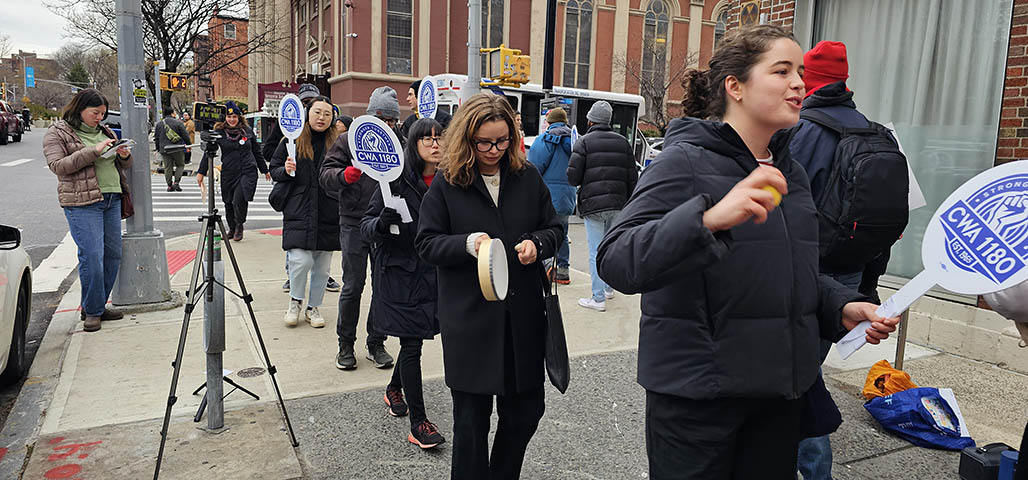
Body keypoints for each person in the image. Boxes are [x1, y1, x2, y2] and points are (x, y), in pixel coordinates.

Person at [594, 25, 900, 479]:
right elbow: (616, 260)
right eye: (782, 71)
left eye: (800, 72)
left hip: (777, 398)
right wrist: (707, 220)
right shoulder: (684, 161)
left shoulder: (790, 172)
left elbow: (787, 270)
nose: (799, 84)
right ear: (735, 87)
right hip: (701, 403)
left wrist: (840, 304)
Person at [415, 93, 562, 479]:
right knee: (470, 426)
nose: (494, 150)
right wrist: (468, 244)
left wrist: (538, 243)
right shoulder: (448, 183)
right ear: (467, 139)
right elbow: (426, 243)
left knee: (526, 412)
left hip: (522, 320)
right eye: (484, 143)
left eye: (502, 141)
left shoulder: (527, 177)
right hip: (471, 321)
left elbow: (554, 228)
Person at [787, 40, 908, 480]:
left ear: (810, 81)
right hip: (853, 271)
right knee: (806, 370)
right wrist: (868, 282)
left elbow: (781, 204)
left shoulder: (800, 131)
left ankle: (813, 467)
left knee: (797, 378)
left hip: (807, 268)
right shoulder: (879, 134)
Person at [361, 118, 447, 449]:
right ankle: (419, 423)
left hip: (434, 273)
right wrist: (382, 224)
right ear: (413, 144)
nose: (435, 144)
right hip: (400, 275)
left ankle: (393, 388)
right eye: (427, 139)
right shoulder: (394, 181)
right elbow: (365, 226)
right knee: (412, 344)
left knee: (417, 340)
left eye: (439, 138)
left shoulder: (450, 179)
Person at [320, 86, 401, 371]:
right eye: (382, 119)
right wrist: (344, 176)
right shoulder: (348, 140)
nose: (388, 125)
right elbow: (325, 175)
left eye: (392, 120)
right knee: (353, 286)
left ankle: (376, 342)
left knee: (383, 287)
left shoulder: (398, 142)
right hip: (354, 221)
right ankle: (345, 343)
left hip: (384, 223)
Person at [43, 89, 133, 332]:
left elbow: (122, 164)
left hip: (112, 197)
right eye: (95, 113)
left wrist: (124, 155)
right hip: (82, 202)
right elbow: (58, 165)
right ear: (79, 108)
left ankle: (96, 305)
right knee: (92, 256)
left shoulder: (105, 131)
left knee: (113, 255)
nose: (100, 118)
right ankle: (93, 311)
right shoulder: (58, 133)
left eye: (103, 114)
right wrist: (93, 151)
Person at [269, 96, 341, 328]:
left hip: (328, 210)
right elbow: (274, 168)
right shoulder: (292, 140)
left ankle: (314, 307)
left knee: (322, 266)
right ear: (307, 114)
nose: (322, 117)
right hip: (299, 208)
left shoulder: (337, 143)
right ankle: (295, 301)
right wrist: (285, 169)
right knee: (300, 259)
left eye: (327, 114)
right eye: (317, 112)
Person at [567, 100, 637, 312]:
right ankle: (608, 288)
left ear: (591, 120)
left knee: (595, 251)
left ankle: (597, 299)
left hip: (593, 205)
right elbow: (632, 177)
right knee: (611, 248)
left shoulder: (583, 142)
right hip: (618, 204)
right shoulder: (623, 142)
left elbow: (573, 177)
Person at [197, 101, 270, 242]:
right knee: (228, 201)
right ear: (225, 118)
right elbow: (208, 152)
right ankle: (231, 228)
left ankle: (239, 226)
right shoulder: (219, 132)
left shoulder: (247, 131)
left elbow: (256, 151)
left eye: (235, 117)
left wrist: (264, 169)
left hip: (247, 171)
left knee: (239, 200)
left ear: (239, 117)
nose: (232, 119)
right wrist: (201, 172)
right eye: (229, 117)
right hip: (229, 172)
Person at [528, 107, 575, 285]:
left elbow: (533, 169)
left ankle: (548, 266)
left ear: (549, 122)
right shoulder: (575, 141)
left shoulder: (544, 140)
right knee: (562, 233)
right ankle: (563, 271)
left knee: (544, 232)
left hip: (547, 195)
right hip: (568, 196)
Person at [154, 105, 191, 191]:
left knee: (167, 167)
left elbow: (156, 138)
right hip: (177, 148)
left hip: (165, 149)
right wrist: (188, 145)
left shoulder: (159, 124)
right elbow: (185, 135)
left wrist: (158, 148)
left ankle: (169, 185)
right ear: (172, 113)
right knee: (180, 165)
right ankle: (176, 183)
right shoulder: (178, 123)